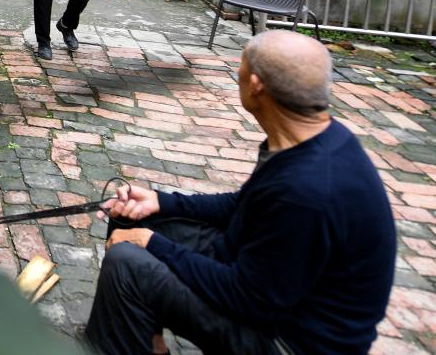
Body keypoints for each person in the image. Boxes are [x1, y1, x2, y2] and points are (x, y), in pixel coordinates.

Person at [83, 30, 397, 355]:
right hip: (262, 277)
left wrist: (152, 243)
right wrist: (160, 202)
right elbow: (244, 204)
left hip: (288, 339)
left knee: (127, 262)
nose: (238, 74)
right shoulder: (315, 137)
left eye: (241, 68)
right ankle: (151, 344)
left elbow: (249, 298)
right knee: (130, 216)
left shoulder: (305, 191)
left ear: (256, 85)